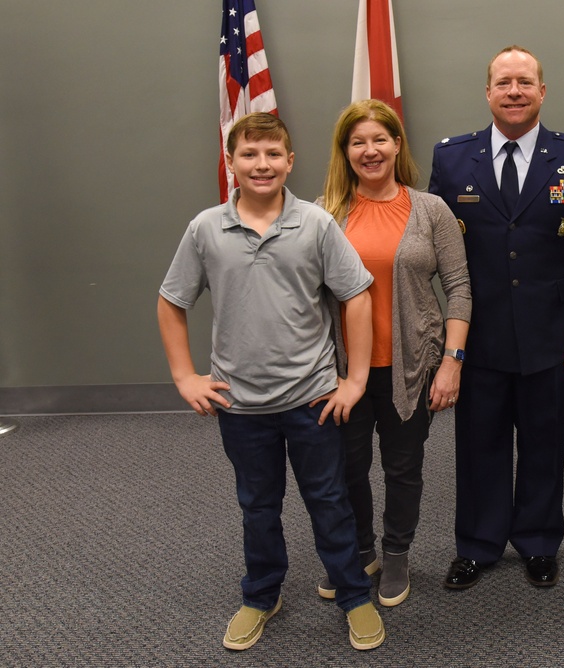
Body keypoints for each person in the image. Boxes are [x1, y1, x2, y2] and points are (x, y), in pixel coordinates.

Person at [157, 112, 386, 651]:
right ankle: (262, 594)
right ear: (231, 162)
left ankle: (353, 595)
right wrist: (184, 375)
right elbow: (172, 301)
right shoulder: (205, 229)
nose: (262, 165)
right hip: (240, 406)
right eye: (249, 155)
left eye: (272, 155)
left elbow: (357, 297)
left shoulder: (316, 224)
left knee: (330, 501)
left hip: (312, 400)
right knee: (257, 505)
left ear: (290, 161)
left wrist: (353, 381)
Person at [429, 45, 564, 590]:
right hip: (479, 335)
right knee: (478, 444)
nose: (514, 91)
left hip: (552, 336)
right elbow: (435, 249)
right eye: (504, 82)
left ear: (542, 92)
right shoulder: (452, 159)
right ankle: (478, 545)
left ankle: (537, 541)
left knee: (543, 442)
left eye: (525, 82)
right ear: (487, 92)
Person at [315, 99, 471, 607]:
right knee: (348, 468)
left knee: (403, 467)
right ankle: (361, 553)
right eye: (357, 142)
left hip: (414, 364)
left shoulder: (431, 209)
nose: (370, 150)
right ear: (346, 151)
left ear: (397, 144)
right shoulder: (322, 214)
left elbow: (459, 287)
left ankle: (397, 553)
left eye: (379, 139)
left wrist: (452, 361)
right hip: (342, 372)